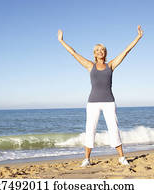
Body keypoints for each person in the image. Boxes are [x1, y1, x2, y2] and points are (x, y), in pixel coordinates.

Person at [58, 26, 143, 167]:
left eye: (102, 50)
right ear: (94, 54)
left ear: (105, 53)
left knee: (113, 129)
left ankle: (121, 157)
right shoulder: (90, 66)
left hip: (109, 102)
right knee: (90, 129)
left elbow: (126, 51)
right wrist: (62, 41)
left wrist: (138, 37)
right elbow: (74, 53)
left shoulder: (111, 65)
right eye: (97, 50)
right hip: (93, 103)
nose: (100, 52)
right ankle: (87, 159)